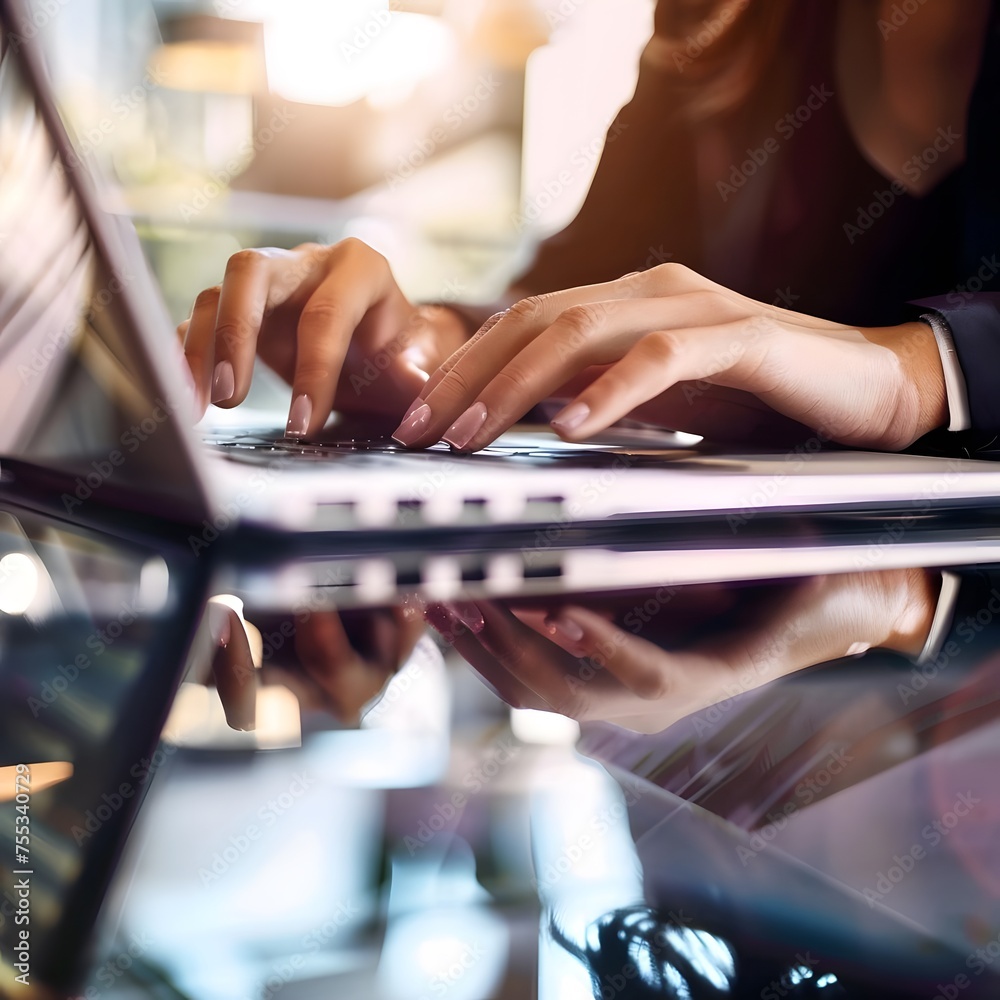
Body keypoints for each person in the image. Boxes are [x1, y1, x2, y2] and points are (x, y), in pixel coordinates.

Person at [180, 0, 1000, 459]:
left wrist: (918, 372)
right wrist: (424, 348)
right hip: (743, 673)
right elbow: (588, 288)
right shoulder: (721, 24)